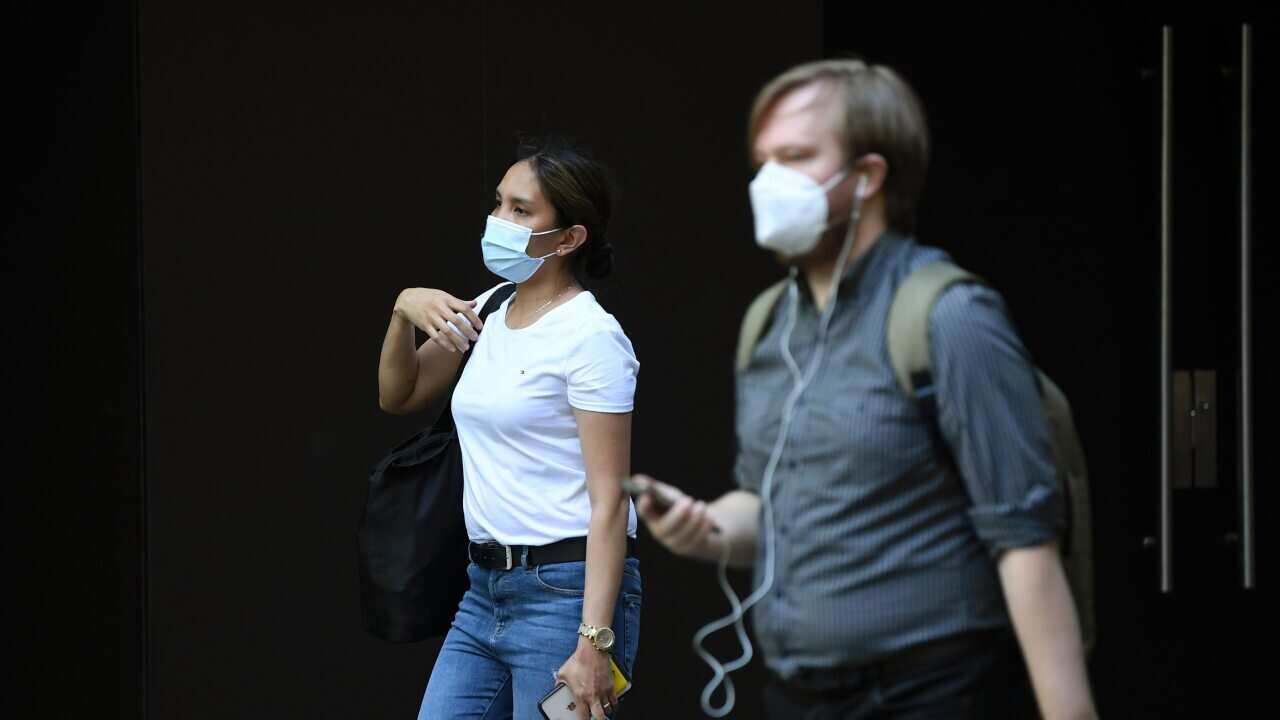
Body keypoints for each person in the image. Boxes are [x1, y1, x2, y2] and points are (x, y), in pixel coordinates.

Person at [633, 59, 1097, 719]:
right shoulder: (770, 323)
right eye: (763, 161)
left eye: (796, 156)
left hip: (934, 690)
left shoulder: (950, 315)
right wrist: (705, 530)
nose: (769, 182)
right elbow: (770, 505)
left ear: (869, 175)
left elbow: (1025, 539)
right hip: (799, 692)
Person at [378, 137, 641, 720]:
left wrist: (594, 640)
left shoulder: (592, 337)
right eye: (498, 203)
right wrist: (402, 311)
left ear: (569, 238)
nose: (499, 220)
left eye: (522, 211)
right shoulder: (492, 306)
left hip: (566, 594)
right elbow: (400, 394)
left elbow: (610, 501)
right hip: (484, 590)